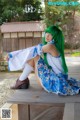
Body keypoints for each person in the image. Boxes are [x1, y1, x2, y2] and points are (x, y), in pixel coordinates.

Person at [7, 25, 80, 96]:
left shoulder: (50, 46)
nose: (47, 36)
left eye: (50, 34)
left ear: (55, 37)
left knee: (34, 55)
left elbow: (31, 51)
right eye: (47, 33)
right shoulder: (53, 46)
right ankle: (22, 80)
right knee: (33, 55)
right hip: (58, 79)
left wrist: (12, 55)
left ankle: (21, 81)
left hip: (53, 82)